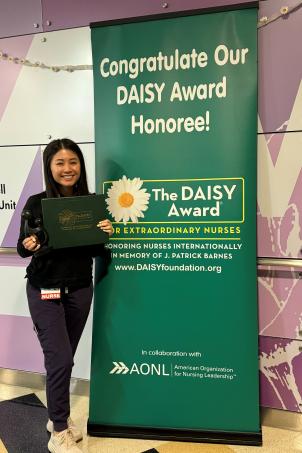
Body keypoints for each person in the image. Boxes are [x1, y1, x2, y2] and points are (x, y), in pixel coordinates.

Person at [17, 138, 113, 453]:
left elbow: (98, 251)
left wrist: (105, 232)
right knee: (59, 358)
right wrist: (28, 245)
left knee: (64, 359)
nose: (67, 168)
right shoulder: (36, 202)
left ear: (80, 165)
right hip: (44, 288)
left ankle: (57, 416)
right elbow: (22, 246)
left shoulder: (90, 203)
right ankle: (59, 431)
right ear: (50, 167)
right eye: (60, 162)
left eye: (73, 161)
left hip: (80, 289)